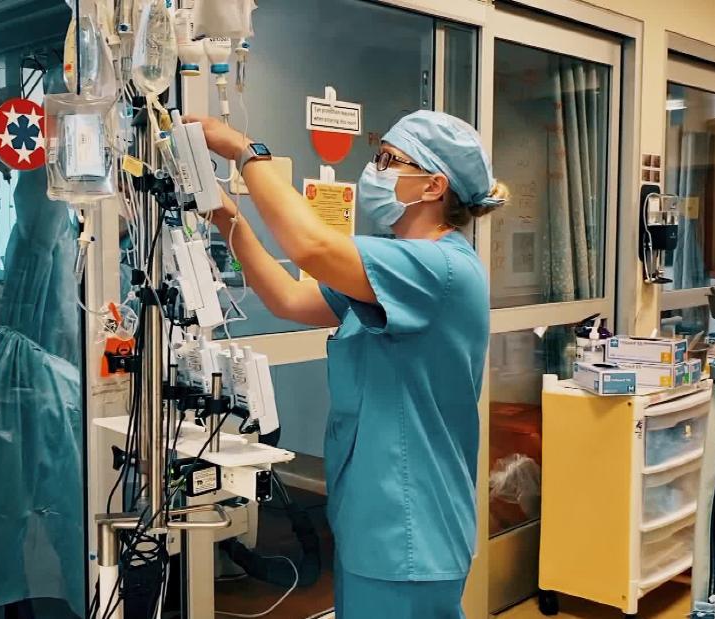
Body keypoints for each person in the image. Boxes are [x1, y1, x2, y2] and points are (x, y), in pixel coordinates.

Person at [191, 110, 507, 619]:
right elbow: (291, 299)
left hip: (409, 531)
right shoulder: (394, 265)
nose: (375, 170)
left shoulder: (439, 269)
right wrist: (229, 221)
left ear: (433, 186)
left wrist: (244, 151)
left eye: (389, 160)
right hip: (375, 522)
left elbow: (311, 246)